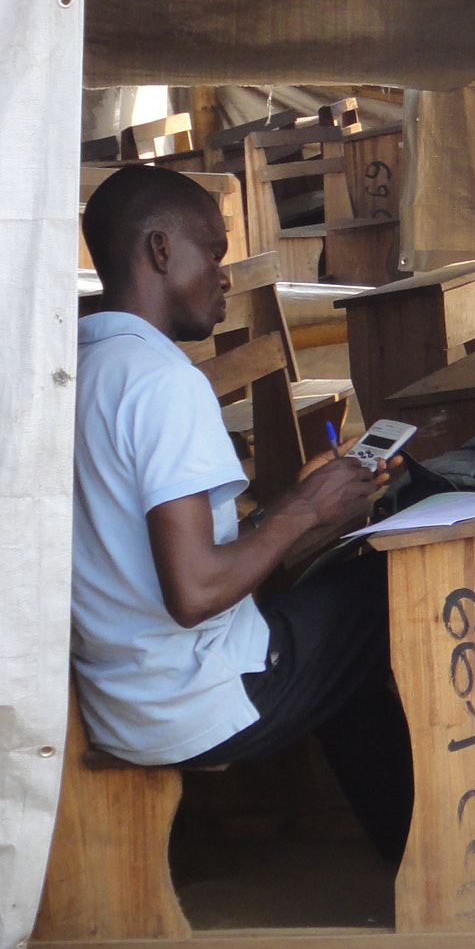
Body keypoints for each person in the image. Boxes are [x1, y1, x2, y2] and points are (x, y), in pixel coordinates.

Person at [73, 165, 412, 860]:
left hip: (118, 696)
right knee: (394, 596)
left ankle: (409, 851)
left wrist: (296, 504)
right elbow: (194, 592)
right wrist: (306, 511)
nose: (225, 276)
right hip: (189, 701)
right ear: (161, 251)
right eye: (215, 253)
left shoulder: (79, 369)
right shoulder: (165, 383)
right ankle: (454, 852)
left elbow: (162, 555)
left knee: (336, 639)